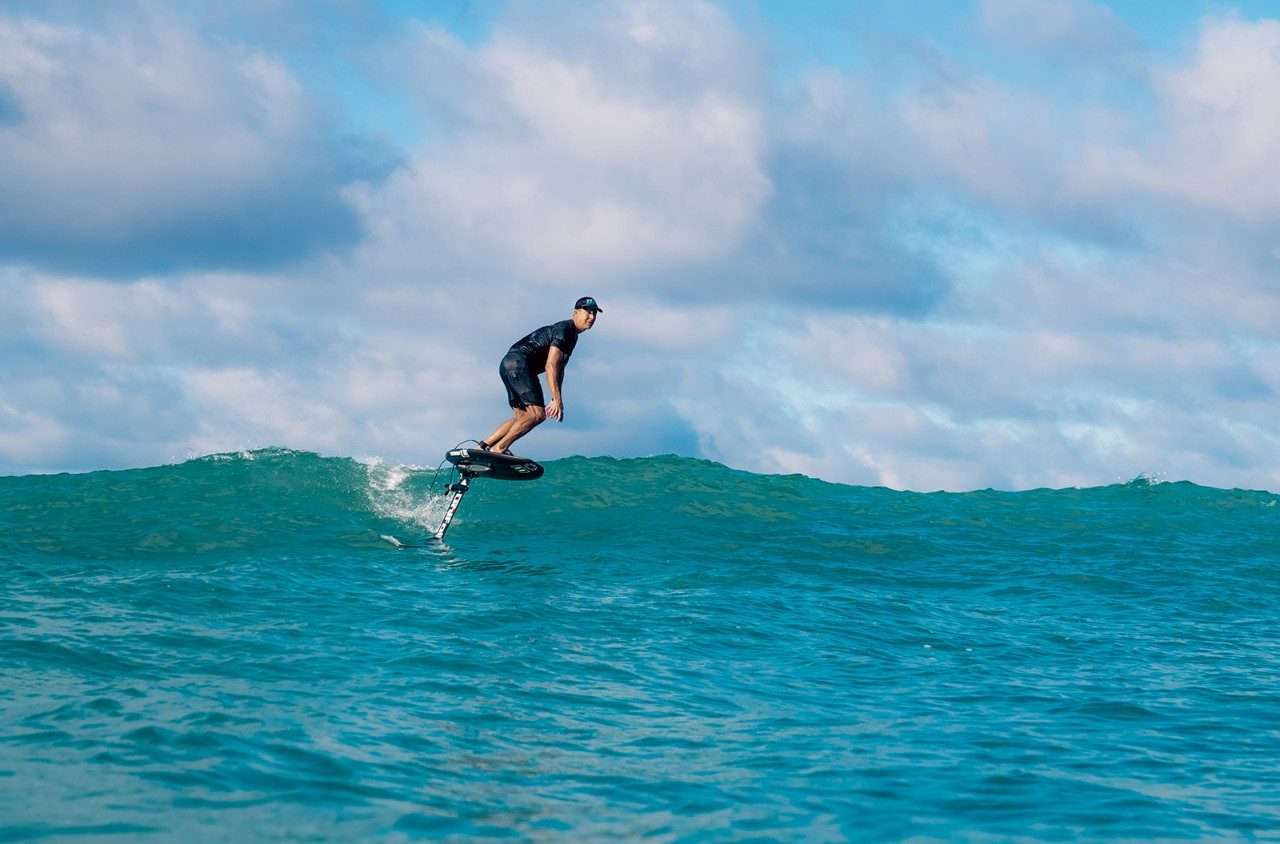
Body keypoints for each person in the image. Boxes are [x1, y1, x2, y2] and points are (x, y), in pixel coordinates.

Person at [478, 296, 602, 454]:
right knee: (537, 414)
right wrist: (557, 399)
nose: (592, 317)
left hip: (507, 365)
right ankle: (499, 448)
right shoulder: (565, 329)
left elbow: (560, 368)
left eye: (594, 314)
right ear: (575, 313)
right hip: (520, 364)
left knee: (523, 417)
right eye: (588, 312)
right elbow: (551, 365)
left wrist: (556, 398)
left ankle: (482, 447)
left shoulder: (572, 336)